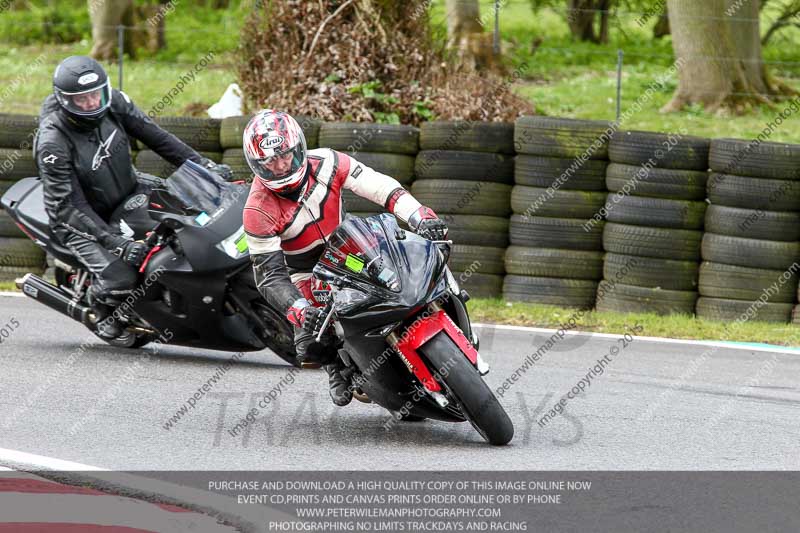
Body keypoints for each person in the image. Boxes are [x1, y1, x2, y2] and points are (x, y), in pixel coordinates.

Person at [242, 110, 448, 406]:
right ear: (257, 165)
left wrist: (419, 216)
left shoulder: (328, 161)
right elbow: (269, 276)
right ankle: (336, 367)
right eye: (270, 161)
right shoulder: (257, 210)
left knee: (416, 257)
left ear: (298, 146)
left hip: (351, 246)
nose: (281, 165)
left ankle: (447, 297)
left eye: (286, 155)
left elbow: (379, 187)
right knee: (309, 343)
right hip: (307, 271)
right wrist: (299, 309)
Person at [36, 55, 231, 342]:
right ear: (65, 100)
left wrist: (205, 166)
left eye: (96, 94)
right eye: (82, 100)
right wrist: (119, 245)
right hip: (81, 218)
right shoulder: (53, 142)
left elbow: (159, 138)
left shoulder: (113, 102)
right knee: (122, 280)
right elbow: (69, 206)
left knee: (193, 214)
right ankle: (99, 308)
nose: (92, 104)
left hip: (129, 187)